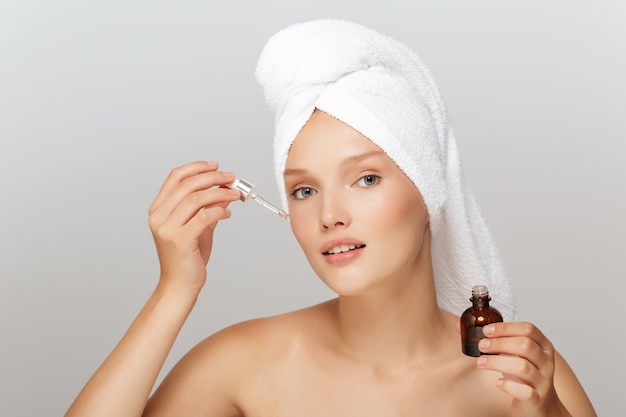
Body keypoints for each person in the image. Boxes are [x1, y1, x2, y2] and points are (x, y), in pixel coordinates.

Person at [65, 20, 596, 417]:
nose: (329, 215)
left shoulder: (521, 373)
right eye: (303, 189)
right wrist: (175, 289)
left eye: (366, 179)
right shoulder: (241, 366)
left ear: (429, 186)